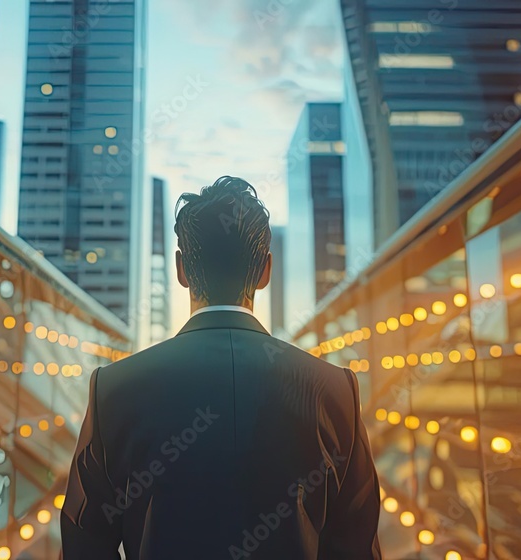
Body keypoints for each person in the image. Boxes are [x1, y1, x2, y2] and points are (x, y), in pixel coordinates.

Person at [61, 176, 381, 559]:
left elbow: (84, 545)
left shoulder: (114, 387)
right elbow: (356, 546)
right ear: (266, 270)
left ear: (182, 270)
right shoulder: (333, 389)